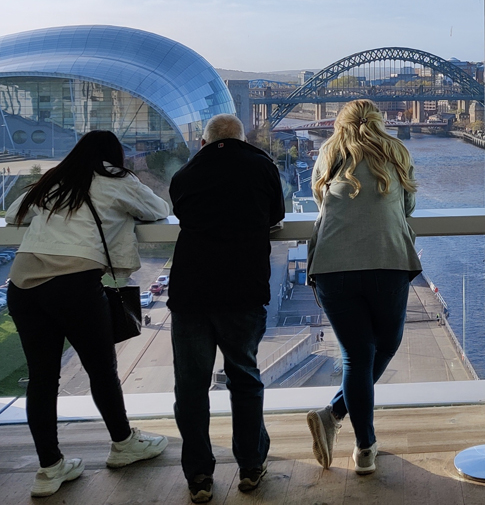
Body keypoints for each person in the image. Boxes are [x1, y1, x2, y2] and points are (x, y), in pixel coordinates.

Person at [5, 131, 171, 498]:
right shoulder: (117, 179)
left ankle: (50, 468)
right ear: (113, 156)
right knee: (101, 370)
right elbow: (159, 211)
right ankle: (123, 443)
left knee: (42, 379)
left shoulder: (55, 180)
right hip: (74, 284)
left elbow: (15, 212)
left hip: (23, 284)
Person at [168, 114, 284, 503]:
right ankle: (250, 465)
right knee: (244, 378)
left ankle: (199, 475)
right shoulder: (262, 166)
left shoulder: (185, 174)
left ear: (203, 142)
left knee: (191, 387)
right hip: (243, 290)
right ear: (241, 138)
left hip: (191, 292)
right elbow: (276, 216)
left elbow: (184, 216)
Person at [305, 99, 421, 476]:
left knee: (356, 356)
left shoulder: (328, 152)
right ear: (379, 121)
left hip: (332, 266)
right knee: (384, 346)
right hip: (386, 261)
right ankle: (340, 420)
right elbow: (408, 205)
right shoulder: (396, 151)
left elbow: (321, 202)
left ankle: (361, 443)